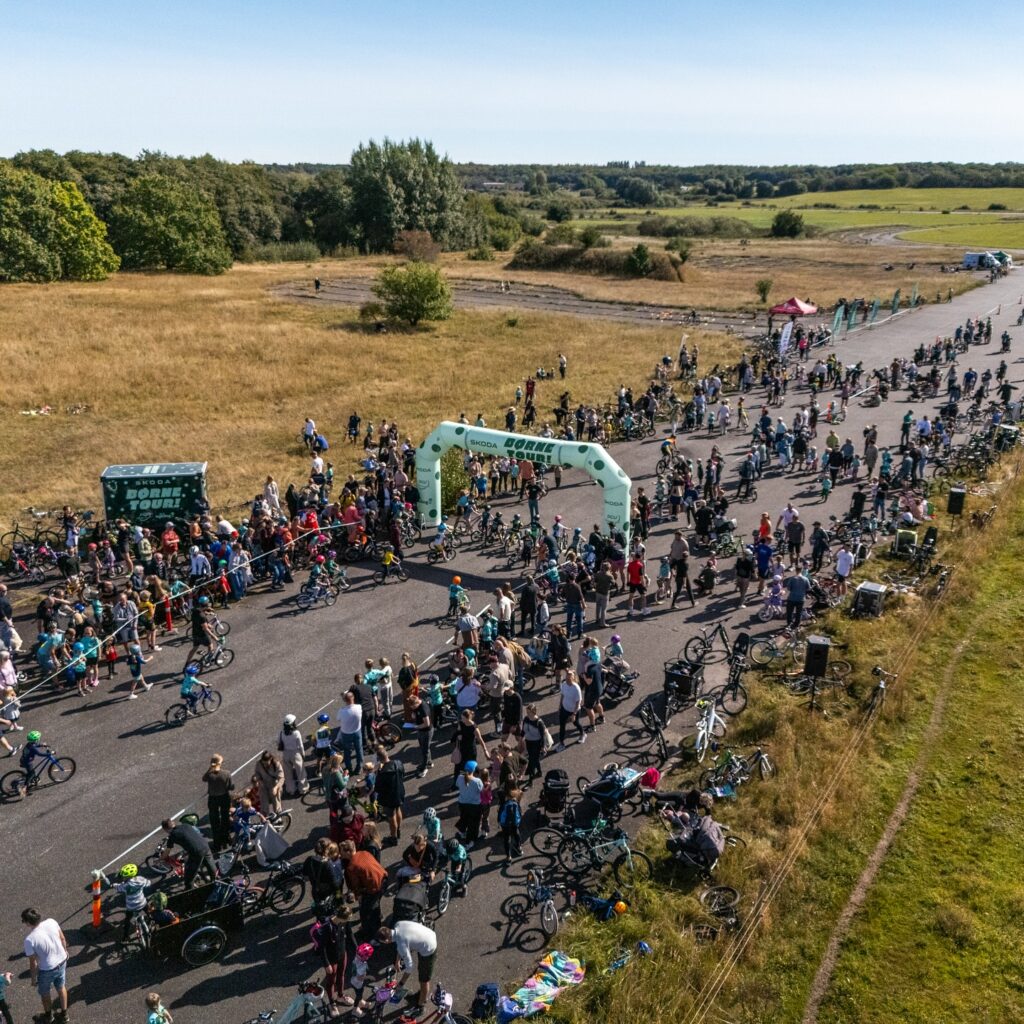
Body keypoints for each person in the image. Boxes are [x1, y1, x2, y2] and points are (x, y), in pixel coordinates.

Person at [376, 920, 438, 1013]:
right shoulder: (397, 924)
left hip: (429, 948)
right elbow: (400, 943)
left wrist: (400, 984)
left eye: (383, 942)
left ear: (387, 940)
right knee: (421, 971)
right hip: (428, 935)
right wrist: (397, 960)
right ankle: (421, 995)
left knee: (424, 980)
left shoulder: (401, 944)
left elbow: (409, 967)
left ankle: (420, 1006)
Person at [21, 908, 69, 1023]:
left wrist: (33, 979)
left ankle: (49, 1016)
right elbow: (62, 938)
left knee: (45, 993)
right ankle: (64, 1015)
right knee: (61, 987)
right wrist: (65, 952)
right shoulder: (51, 921)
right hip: (62, 961)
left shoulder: (29, 940)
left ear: (28, 922)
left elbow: (33, 962)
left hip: (47, 969)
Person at [339, 840, 387, 938]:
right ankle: (377, 921)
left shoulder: (352, 866)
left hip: (374, 888)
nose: (340, 853)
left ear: (348, 852)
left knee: (366, 911)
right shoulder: (364, 852)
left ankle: (370, 933)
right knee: (375, 904)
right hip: (383, 880)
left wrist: (358, 896)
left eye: (342, 851)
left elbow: (356, 886)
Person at [161, 817, 216, 888]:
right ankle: (215, 880)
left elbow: (167, 851)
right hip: (205, 846)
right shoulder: (185, 825)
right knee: (210, 865)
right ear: (173, 823)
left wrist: (161, 859)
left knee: (189, 874)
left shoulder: (173, 836)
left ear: (166, 829)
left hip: (196, 852)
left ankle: (189, 888)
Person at [374, 746, 405, 845]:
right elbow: (403, 774)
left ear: (379, 759)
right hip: (399, 792)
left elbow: (377, 788)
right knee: (398, 809)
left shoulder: (382, 772)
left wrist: (377, 772)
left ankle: (393, 837)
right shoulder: (398, 763)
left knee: (391, 817)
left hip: (389, 798)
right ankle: (398, 830)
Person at [202, 754, 235, 852]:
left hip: (213, 799)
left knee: (214, 821)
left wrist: (210, 768)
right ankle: (226, 839)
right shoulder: (226, 773)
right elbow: (231, 787)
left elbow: (203, 778)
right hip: (224, 797)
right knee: (225, 819)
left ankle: (217, 844)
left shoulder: (210, 775)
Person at [278, 714, 309, 797]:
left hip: (286, 754)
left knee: (288, 773)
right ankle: (303, 788)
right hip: (295, 754)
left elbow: (278, 742)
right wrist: (303, 754)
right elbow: (300, 745)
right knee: (300, 772)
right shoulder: (296, 733)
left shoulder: (281, 733)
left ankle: (291, 789)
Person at [498, 787, 523, 863]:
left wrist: (499, 822)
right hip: (515, 822)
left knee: (507, 839)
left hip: (505, 824)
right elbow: (520, 812)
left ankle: (508, 857)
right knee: (516, 833)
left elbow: (500, 815)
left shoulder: (504, 804)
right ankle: (519, 848)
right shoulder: (515, 803)